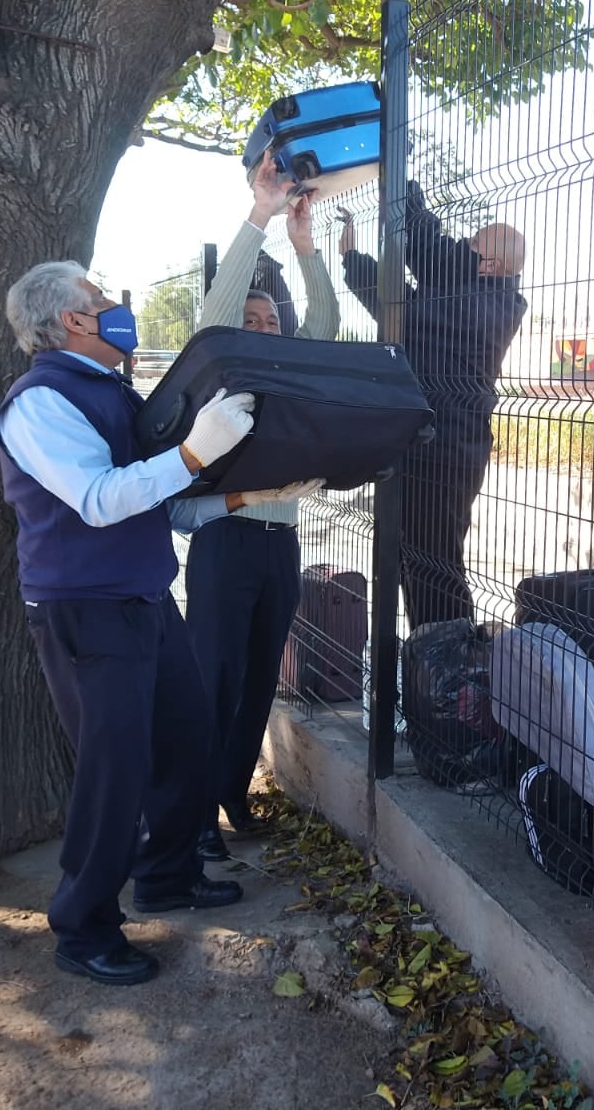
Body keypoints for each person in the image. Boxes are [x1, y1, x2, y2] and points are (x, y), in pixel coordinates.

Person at [0, 261, 315, 986]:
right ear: (71, 321)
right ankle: (83, 929)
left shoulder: (108, 392)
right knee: (114, 772)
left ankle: (166, 877)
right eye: (100, 299)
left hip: (142, 599)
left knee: (185, 737)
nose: (116, 308)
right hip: (85, 610)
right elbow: (102, 500)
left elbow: (165, 509)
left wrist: (251, 495)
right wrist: (194, 451)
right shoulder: (38, 403)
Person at [184, 163, 340, 861]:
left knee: (255, 681)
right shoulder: (225, 366)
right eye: (250, 320)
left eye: (269, 318)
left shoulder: (292, 367)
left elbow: (327, 321)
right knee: (212, 678)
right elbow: (217, 316)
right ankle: (191, 819)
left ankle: (230, 796)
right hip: (223, 542)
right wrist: (260, 217)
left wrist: (305, 249)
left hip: (279, 549)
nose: (259, 324)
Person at [340, 183, 527, 627]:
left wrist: (402, 185)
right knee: (417, 558)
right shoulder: (462, 297)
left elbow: (426, 254)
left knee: (433, 564)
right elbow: (396, 306)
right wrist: (353, 260)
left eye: (472, 244)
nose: (461, 244)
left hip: (445, 454)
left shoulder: (487, 306)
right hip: (431, 446)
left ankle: (450, 666)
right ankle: (433, 661)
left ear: (490, 265)